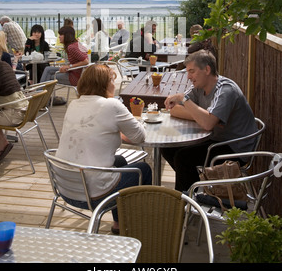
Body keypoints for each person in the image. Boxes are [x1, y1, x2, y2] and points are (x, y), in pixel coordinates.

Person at [55, 63, 152, 234]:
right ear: (104, 84)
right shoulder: (112, 105)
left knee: (120, 161)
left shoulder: (73, 104)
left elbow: (94, 133)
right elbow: (140, 136)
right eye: (112, 81)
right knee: (143, 169)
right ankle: (142, 226)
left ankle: (119, 224)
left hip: (65, 188)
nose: (114, 85)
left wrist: (114, 131)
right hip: (92, 195)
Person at [162, 50, 257, 192]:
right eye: (188, 72)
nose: (188, 77)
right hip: (216, 139)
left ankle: (184, 203)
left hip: (235, 147)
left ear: (207, 69)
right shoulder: (199, 87)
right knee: (167, 148)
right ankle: (194, 188)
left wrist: (186, 102)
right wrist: (200, 115)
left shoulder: (225, 90)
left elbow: (207, 124)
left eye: (192, 71)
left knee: (184, 158)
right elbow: (174, 109)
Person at [0, 39, 28, 164]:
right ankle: (2, 144)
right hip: (22, 110)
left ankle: (0, 145)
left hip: (12, 114)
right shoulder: (4, 65)